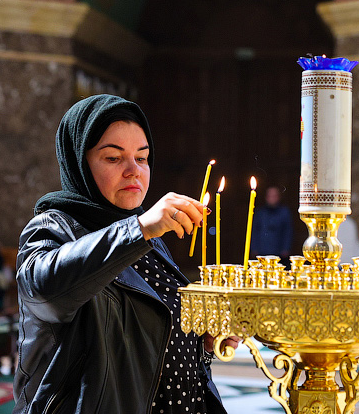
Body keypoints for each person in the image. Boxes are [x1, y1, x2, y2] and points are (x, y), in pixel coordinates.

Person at [14, 94, 235, 413]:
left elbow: (147, 335)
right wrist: (140, 229)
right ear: (80, 161)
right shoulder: (52, 228)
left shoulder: (146, 235)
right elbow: (46, 292)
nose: (134, 171)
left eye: (142, 158)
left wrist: (201, 343)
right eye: (113, 158)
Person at [250, 186, 293, 265]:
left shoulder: (284, 212)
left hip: (278, 250)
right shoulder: (261, 212)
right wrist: (254, 248)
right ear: (266, 197)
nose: (272, 198)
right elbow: (254, 230)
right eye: (270, 196)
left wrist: (286, 248)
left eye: (274, 196)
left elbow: (287, 231)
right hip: (262, 250)